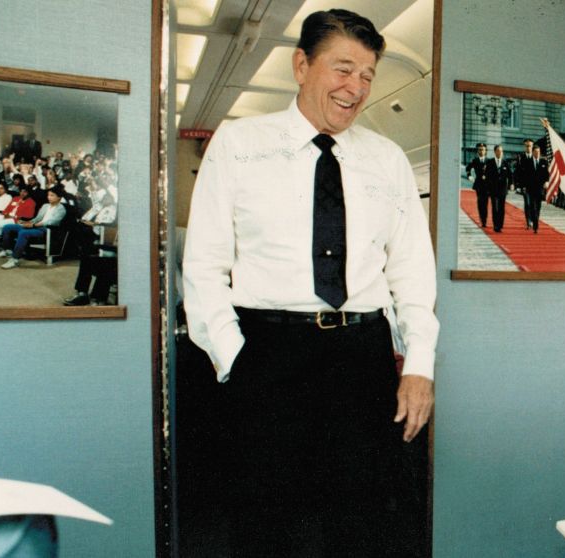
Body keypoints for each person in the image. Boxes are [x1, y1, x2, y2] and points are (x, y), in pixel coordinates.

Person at [182, 9, 438, 557]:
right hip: (270, 352)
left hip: (361, 355)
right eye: (343, 69)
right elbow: (203, 265)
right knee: (266, 524)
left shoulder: (388, 159)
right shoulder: (239, 143)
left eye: (368, 75)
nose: (356, 88)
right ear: (302, 65)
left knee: (364, 524)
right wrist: (236, 359)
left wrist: (418, 365)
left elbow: (413, 272)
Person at [0, 189, 66, 269]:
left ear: (59, 197)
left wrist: (33, 225)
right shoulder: (45, 206)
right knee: (7, 227)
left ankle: (15, 259)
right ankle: (6, 250)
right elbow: (37, 218)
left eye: (52, 195)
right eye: (48, 195)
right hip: (35, 225)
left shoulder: (61, 209)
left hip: (45, 229)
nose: (49, 197)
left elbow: (52, 222)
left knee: (23, 232)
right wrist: (28, 222)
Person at [486, 144, 511, 232]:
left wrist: (511, 184)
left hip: (502, 190)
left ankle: (500, 225)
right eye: (498, 151)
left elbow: (510, 175)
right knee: (495, 208)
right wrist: (488, 188)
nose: (500, 153)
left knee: (501, 208)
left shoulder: (505, 163)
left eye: (501, 151)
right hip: (493, 190)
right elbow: (487, 176)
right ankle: (495, 225)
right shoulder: (490, 162)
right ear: (495, 152)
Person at [465, 142, 490, 227]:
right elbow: (468, 168)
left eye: (483, 150)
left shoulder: (489, 161)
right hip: (478, 184)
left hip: (487, 185)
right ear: (477, 151)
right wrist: (469, 176)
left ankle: (484, 220)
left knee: (485, 203)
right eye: (479, 150)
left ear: (485, 151)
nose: (481, 151)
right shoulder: (475, 161)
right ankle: (481, 218)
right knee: (480, 202)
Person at [524, 144, 548, 233]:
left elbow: (546, 174)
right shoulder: (528, 162)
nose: (537, 154)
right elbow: (525, 175)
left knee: (538, 207)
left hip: (540, 189)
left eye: (539, 152)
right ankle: (535, 225)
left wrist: (546, 181)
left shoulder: (543, 162)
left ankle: (535, 222)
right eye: (536, 152)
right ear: (533, 152)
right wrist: (524, 186)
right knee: (532, 206)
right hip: (530, 188)